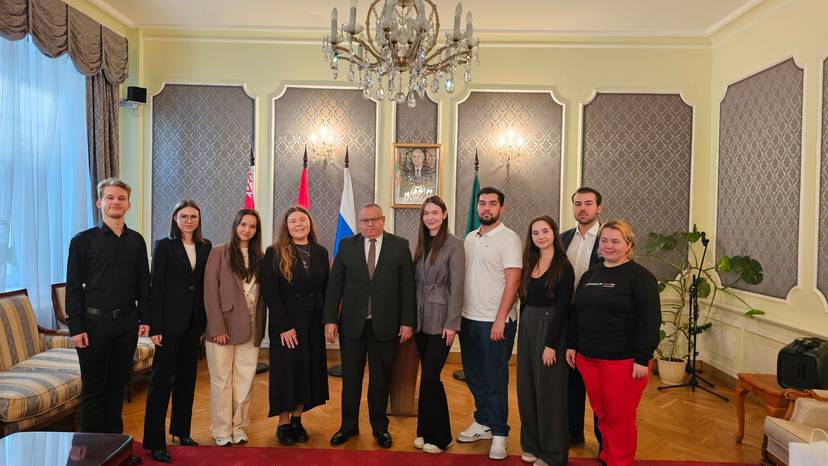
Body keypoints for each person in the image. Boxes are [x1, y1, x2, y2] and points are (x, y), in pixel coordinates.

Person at [65, 178, 150, 465]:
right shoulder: (82, 241)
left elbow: (144, 284)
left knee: (117, 388)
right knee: (93, 390)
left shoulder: (136, 240)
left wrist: (145, 319)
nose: (116, 202)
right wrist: (75, 327)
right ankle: (92, 455)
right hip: (93, 326)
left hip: (126, 324)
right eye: (110, 197)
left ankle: (117, 451)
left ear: (129, 203)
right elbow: (74, 287)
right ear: (100, 202)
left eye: (121, 198)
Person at [566, 219, 661, 466]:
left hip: (623, 361)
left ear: (628, 245)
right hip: (588, 358)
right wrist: (572, 345)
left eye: (616, 241)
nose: (609, 246)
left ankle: (621, 461)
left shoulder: (640, 277)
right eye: (604, 240)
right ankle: (608, 454)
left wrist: (643, 358)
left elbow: (650, 321)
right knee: (602, 414)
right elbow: (577, 312)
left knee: (620, 417)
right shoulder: (592, 273)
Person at [324, 203, 416, 449]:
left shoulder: (400, 246)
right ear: (359, 223)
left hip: (386, 326)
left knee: (380, 379)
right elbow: (335, 287)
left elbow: (408, 288)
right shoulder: (346, 246)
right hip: (352, 326)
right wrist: (330, 320)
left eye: (375, 219)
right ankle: (348, 426)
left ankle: (379, 427)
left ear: (383, 220)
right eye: (365, 220)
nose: (370, 224)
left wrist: (408, 321)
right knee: (351, 379)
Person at [142, 200, 212, 463]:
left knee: (187, 379)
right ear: (175, 218)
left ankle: (181, 431)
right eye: (184, 216)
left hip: (194, 324)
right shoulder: (165, 246)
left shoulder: (206, 247)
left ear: (198, 219)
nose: (189, 220)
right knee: (160, 382)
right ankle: (154, 441)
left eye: (194, 216)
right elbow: (156, 288)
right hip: (168, 326)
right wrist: (155, 326)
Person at [457, 186, 522, 460]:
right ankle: (483, 421)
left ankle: (500, 434)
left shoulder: (509, 238)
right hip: (468, 318)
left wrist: (500, 319)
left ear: (501, 208)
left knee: (495, 379)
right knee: (474, 375)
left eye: (492, 204)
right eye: (482, 203)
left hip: (494, 322)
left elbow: (514, 280)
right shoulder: (470, 237)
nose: (486, 208)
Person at [261, 206, 330, 446]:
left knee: (306, 371)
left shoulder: (320, 252)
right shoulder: (274, 253)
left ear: (310, 223)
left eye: (303, 219)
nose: (298, 224)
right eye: (293, 221)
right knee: (286, 372)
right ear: (286, 226)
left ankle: (298, 420)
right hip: (286, 324)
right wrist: (284, 326)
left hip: (312, 323)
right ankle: (283, 423)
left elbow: (326, 289)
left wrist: (326, 321)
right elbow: (270, 294)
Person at [203, 209, 266, 447]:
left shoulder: (260, 256)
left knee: (245, 379)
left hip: (251, 326)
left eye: (252, 226)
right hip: (223, 329)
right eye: (243, 224)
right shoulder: (219, 252)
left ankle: (238, 426)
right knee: (222, 380)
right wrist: (217, 327)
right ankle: (221, 428)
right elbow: (210, 293)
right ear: (235, 225)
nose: (247, 229)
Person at [517, 216, 574, 466]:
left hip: (551, 329)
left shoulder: (564, 266)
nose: (540, 236)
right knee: (527, 388)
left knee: (549, 394)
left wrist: (551, 345)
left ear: (554, 234)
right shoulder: (530, 262)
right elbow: (525, 302)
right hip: (528, 325)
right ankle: (532, 445)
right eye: (535, 233)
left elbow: (563, 310)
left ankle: (553, 455)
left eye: (545, 231)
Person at [411, 196, 464, 454]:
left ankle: (442, 436)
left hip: (442, 318)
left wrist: (452, 323)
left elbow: (457, 286)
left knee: (432, 376)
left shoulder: (455, 244)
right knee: (426, 375)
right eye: (426, 213)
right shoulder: (421, 242)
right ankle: (423, 430)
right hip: (421, 318)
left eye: (435, 212)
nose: (430, 217)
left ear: (444, 214)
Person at [560, 186, 603, 448]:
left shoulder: (609, 238)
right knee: (571, 381)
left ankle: (603, 440)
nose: (583, 208)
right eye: (578, 204)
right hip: (568, 318)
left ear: (599, 208)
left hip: (596, 321)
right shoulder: (563, 239)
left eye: (588, 204)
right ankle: (573, 433)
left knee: (599, 387)